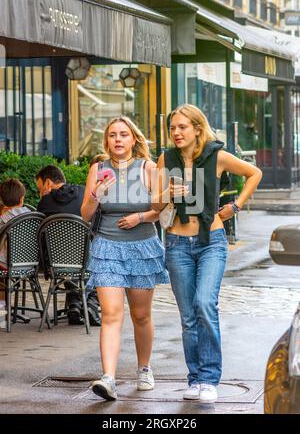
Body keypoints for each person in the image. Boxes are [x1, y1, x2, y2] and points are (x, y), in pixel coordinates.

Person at [152, 104, 262, 403]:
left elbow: (254, 173)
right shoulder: (167, 158)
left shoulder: (217, 156)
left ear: (197, 128)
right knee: (188, 316)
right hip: (176, 244)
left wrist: (235, 206)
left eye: (182, 127)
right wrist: (166, 195)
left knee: (204, 304)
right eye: (172, 127)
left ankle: (210, 378)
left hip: (211, 241)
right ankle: (195, 379)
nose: (176, 132)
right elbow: (154, 201)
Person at [81, 115, 169, 401]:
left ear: (133, 139)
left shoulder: (149, 168)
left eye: (123, 134)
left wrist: (140, 217)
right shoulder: (98, 168)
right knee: (111, 314)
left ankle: (144, 368)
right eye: (112, 135)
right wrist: (96, 194)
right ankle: (108, 377)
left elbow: (162, 207)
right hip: (107, 248)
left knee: (140, 315)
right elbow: (85, 214)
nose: (117, 139)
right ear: (106, 140)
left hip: (142, 245)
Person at [35, 165, 100, 326]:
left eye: (40, 188)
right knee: (98, 253)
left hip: (57, 264)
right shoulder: (85, 195)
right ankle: (91, 302)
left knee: (61, 254)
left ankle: (74, 303)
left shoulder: (45, 203)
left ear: (48, 183)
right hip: (87, 260)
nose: (40, 193)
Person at [0, 179, 31, 270]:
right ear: (22, 199)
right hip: (30, 264)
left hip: (6, 265)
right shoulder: (32, 216)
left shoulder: (3, 219)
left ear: (2, 200)